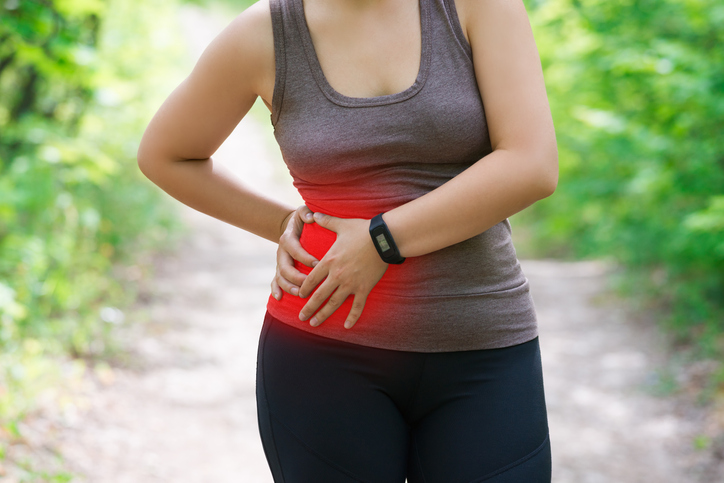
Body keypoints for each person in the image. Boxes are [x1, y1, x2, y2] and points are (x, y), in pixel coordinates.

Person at [137, 0, 558, 480]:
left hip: (482, 347)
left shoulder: (475, 7)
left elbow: (532, 165)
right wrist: (282, 225)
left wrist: (383, 240)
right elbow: (166, 155)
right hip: (322, 353)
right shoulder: (264, 33)